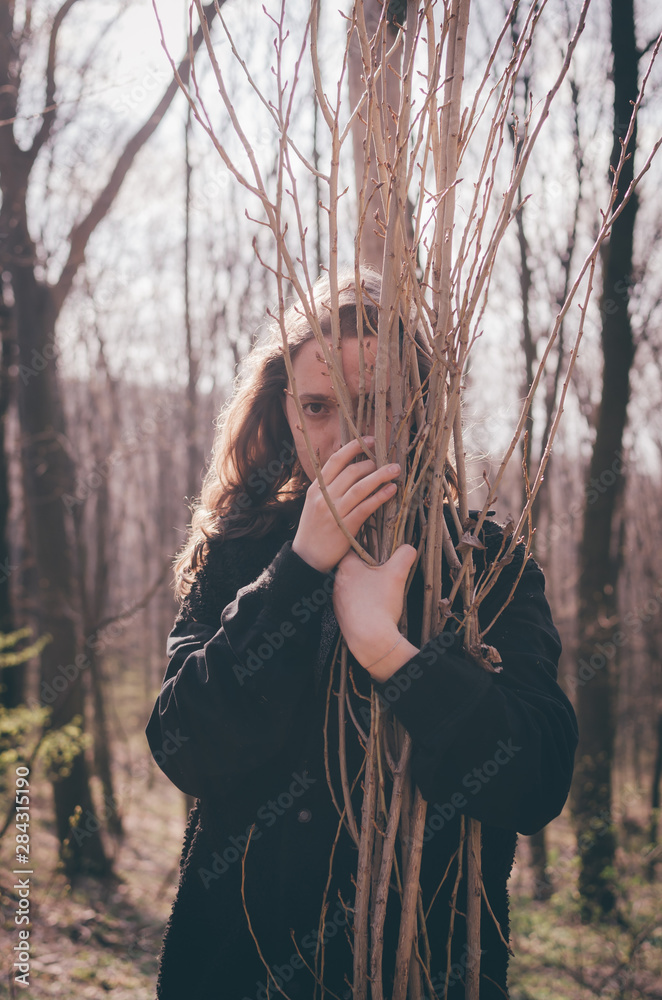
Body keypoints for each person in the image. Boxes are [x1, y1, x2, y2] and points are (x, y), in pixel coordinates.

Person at [146, 267, 578, 1000]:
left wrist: (392, 654)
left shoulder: (484, 565)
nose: (348, 439)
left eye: (376, 405)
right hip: (232, 972)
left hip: (431, 974)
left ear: (422, 409)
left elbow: (533, 779)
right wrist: (299, 569)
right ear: (283, 410)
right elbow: (183, 745)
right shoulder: (242, 552)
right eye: (319, 407)